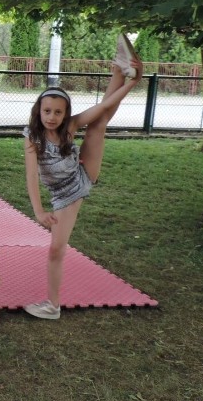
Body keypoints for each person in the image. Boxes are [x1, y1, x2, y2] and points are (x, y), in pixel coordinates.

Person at [23, 35, 142, 320]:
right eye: (47, 111)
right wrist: (38, 210)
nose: (51, 117)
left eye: (57, 112)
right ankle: (119, 69)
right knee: (99, 124)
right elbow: (31, 175)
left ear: (65, 114)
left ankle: (52, 306)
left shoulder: (70, 127)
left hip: (79, 179)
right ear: (39, 111)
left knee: (97, 123)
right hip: (60, 191)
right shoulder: (32, 137)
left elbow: (101, 109)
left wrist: (131, 85)